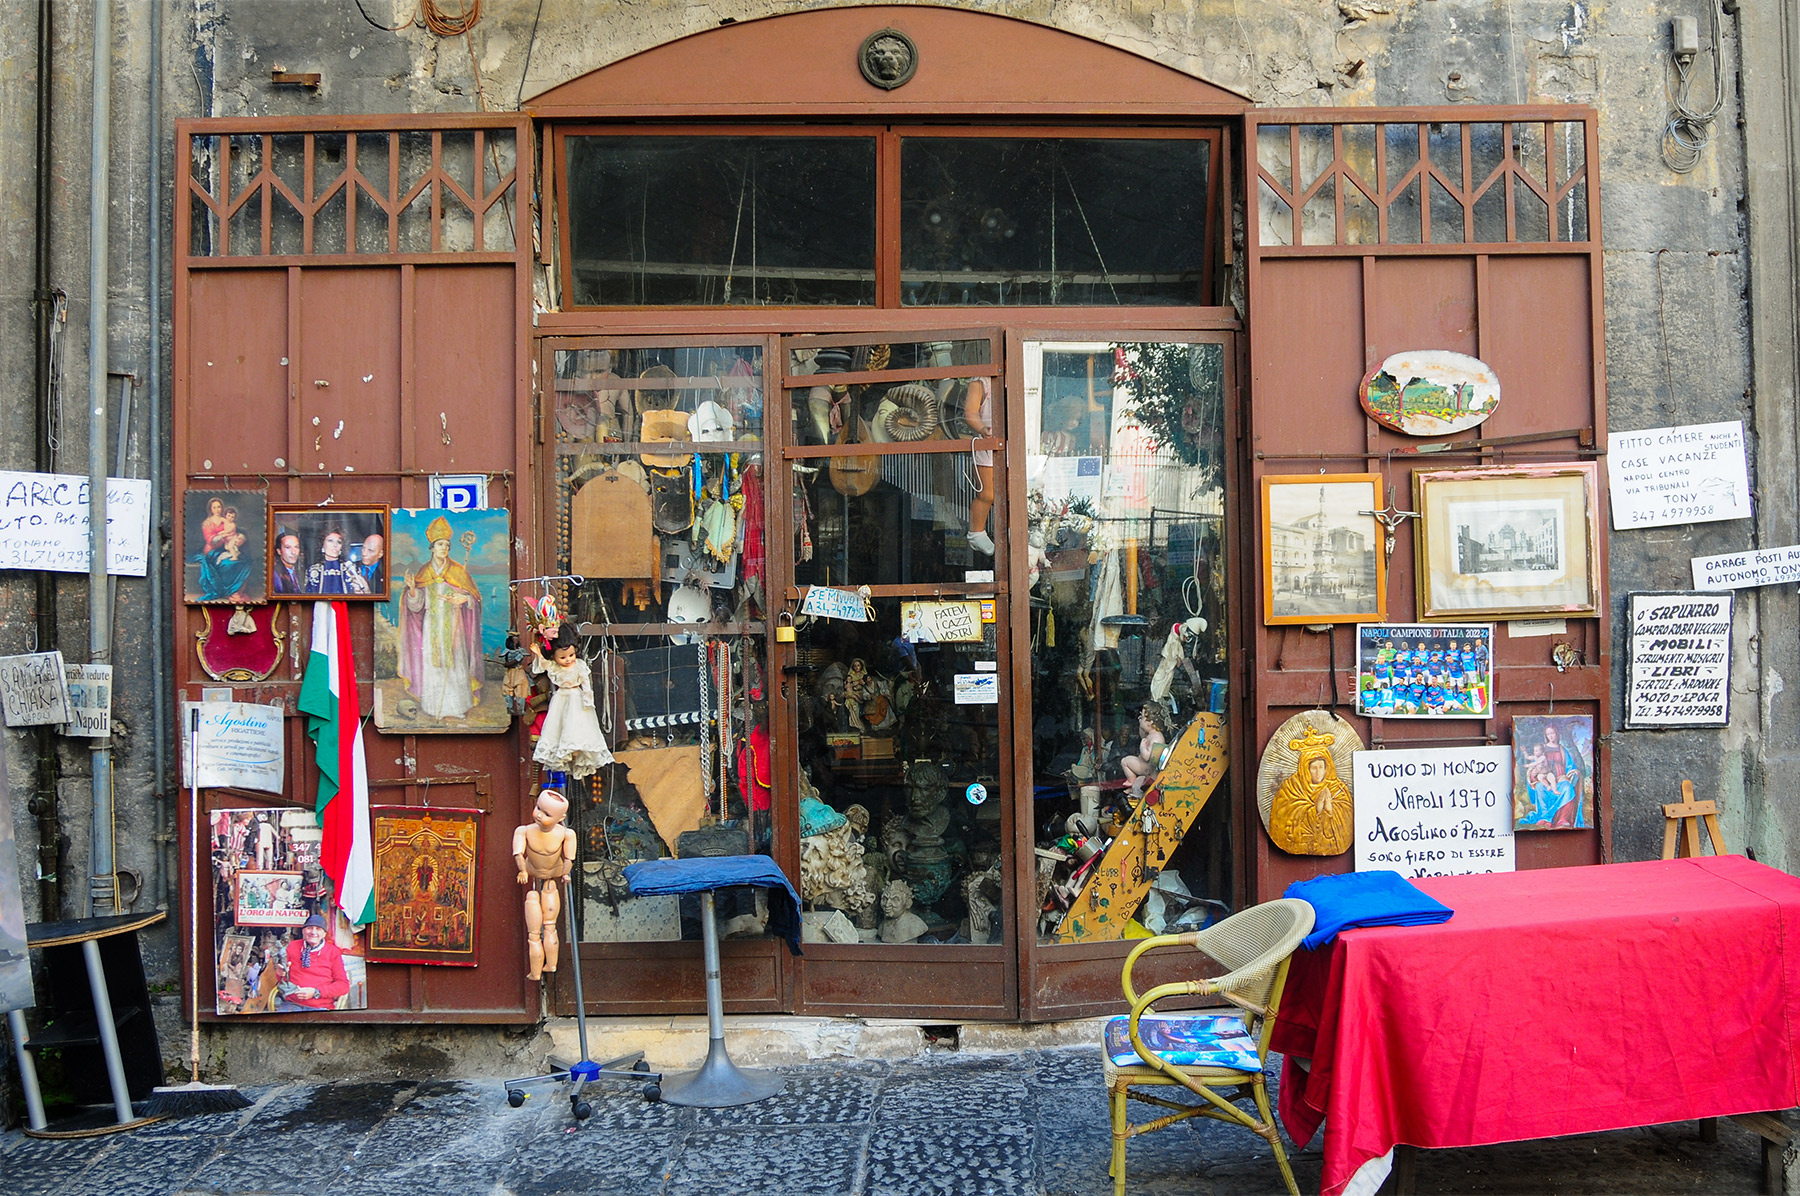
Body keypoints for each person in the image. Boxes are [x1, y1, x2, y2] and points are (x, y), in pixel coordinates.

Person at [396, 517, 483, 720]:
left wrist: (463, 598)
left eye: (447, 545)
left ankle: (457, 706)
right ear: (432, 547)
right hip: (431, 627)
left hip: (455, 625)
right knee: (433, 664)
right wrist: (412, 590)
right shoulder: (424, 572)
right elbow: (416, 606)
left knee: (455, 663)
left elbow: (474, 599)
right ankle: (434, 706)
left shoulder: (457, 572)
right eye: (440, 544)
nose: (444, 548)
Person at [529, 625, 613, 778]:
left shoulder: (579, 665)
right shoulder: (555, 667)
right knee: (560, 727)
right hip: (561, 699)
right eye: (562, 657)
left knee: (577, 727)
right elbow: (542, 666)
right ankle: (565, 752)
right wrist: (538, 654)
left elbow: (586, 684)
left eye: (571, 655)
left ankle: (576, 749)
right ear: (554, 657)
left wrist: (588, 700)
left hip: (577, 698)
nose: (568, 659)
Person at [513, 787, 577, 980]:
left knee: (550, 925)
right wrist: (523, 870)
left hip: (552, 880)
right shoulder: (524, 831)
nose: (539, 816)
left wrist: (566, 874)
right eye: (538, 809)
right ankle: (535, 971)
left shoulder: (566, 834)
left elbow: (569, 858)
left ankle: (552, 964)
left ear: (561, 817)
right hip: (533, 880)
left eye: (547, 814)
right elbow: (518, 853)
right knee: (534, 931)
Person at [1268, 726, 1354, 855]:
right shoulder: (1291, 787)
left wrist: (1331, 810)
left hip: (1328, 844)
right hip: (1302, 842)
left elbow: (1347, 815)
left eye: (1321, 767)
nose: (1318, 772)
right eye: (1314, 768)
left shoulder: (1337, 788)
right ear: (1305, 769)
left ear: (1327, 768)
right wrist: (1315, 809)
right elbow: (1283, 815)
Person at [278, 914, 349, 1012]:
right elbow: (283, 980)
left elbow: (343, 985)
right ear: (303, 931)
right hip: (292, 1004)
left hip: (320, 1007)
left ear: (324, 934)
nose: (313, 932)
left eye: (318, 929)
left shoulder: (333, 952)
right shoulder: (292, 947)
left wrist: (316, 992)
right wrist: (280, 973)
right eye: (309, 928)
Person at [963, 377, 997, 555]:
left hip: (1015, 445)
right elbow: (970, 412)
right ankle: (976, 532)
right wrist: (983, 429)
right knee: (986, 493)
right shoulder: (982, 382)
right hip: (989, 444)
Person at [304, 527, 370, 595]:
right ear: (322, 545)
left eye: (339, 542)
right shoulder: (312, 570)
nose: (335, 545)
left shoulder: (351, 569)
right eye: (330, 541)